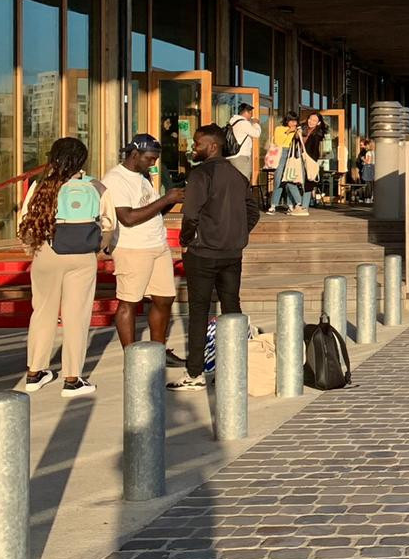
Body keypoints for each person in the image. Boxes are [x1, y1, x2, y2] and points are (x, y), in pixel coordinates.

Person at [18, 137, 116, 397]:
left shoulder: (41, 186)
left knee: (43, 312)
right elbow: (109, 224)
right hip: (82, 255)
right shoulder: (95, 186)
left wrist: (34, 249)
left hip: (47, 254)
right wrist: (100, 247)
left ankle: (35, 373)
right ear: (82, 160)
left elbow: (24, 220)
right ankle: (72, 379)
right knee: (77, 316)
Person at [170, 124, 261, 392]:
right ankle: (237, 366)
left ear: (212, 146)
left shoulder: (200, 175)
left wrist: (187, 240)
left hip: (203, 253)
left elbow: (190, 215)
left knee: (199, 311)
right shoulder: (237, 175)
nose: (193, 148)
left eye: (197, 144)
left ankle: (195, 373)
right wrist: (237, 233)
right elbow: (253, 211)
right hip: (232, 253)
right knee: (232, 307)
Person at [104, 134, 185, 362]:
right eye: (150, 158)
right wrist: (165, 199)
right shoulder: (115, 179)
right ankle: (131, 357)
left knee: (164, 298)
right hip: (132, 247)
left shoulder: (143, 176)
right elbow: (127, 217)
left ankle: (158, 351)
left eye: (156, 159)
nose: (153, 163)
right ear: (134, 154)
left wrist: (170, 201)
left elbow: (152, 210)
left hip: (156, 244)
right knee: (129, 300)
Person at [267, 112, 303, 214]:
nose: (293, 123)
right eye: (291, 120)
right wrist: (288, 132)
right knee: (278, 179)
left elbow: (298, 142)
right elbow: (279, 142)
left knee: (289, 179)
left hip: (292, 155)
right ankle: (273, 205)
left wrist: (297, 133)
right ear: (287, 120)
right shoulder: (279, 129)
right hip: (281, 153)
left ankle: (291, 205)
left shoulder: (297, 130)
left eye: (295, 121)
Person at [298, 111, 326, 212]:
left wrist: (313, 161)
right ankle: (297, 203)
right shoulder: (302, 129)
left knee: (308, 182)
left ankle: (304, 206)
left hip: (310, 159)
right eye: (310, 119)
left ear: (318, 123)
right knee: (292, 181)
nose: (311, 121)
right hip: (298, 157)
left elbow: (315, 149)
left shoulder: (318, 133)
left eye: (314, 120)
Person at [228, 102, 259, 182]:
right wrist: (256, 124)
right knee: (243, 181)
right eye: (250, 113)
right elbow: (256, 134)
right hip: (241, 156)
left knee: (233, 181)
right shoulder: (243, 123)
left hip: (231, 156)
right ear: (246, 112)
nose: (251, 116)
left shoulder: (232, 122)